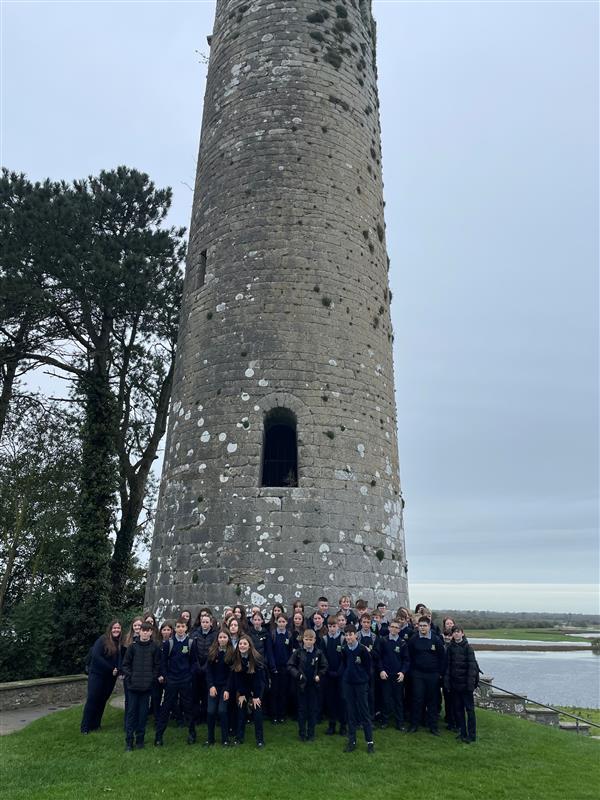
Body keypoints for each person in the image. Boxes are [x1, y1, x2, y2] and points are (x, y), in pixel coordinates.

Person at [154, 618, 198, 746]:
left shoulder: (190, 643)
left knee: (188, 707)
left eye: (182, 626)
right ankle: (159, 736)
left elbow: (194, 661)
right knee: (166, 707)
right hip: (172, 680)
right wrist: (167, 677)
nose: (180, 629)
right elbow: (163, 662)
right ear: (175, 628)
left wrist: (190, 675)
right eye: (178, 626)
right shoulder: (169, 643)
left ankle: (192, 733)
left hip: (185, 679)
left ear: (186, 628)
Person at [121, 621, 161, 750]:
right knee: (131, 714)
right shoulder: (132, 647)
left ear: (151, 632)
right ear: (140, 632)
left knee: (143, 715)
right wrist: (131, 676)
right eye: (143, 630)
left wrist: (152, 678)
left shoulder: (154, 647)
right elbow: (125, 664)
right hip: (133, 687)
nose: (144, 632)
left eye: (147, 630)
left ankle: (140, 740)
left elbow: (157, 666)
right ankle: (129, 741)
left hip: (146, 687)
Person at [80, 620, 123, 734]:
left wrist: (117, 669)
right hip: (97, 675)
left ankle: (96, 724)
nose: (116, 630)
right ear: (110, 629)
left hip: (110, 677)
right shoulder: (102, 640)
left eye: (118, 628)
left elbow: (120, 658)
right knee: (93, 699)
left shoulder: (119, 642)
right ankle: (85, 726)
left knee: (102, 700)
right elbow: (96, 656)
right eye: (114, 628)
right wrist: (111, 668)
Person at [407, 616, 446, 735]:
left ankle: (433, 727)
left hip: (433, 675)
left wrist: (440, 673)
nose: (422, 628)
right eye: (420, 626)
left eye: (425, 626)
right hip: (418, 674)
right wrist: (412, 672)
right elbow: (410, 656)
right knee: (417, 699)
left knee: (432, 701)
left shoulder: (436, 639)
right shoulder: (413, 639)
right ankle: (414, 725)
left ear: (429, 626)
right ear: (417, 626)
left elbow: (442, 657)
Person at [287, 629, 328, 741]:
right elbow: (290, 665)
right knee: (302, 710)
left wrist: (319, 675)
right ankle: (302, 733)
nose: (308, 642)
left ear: (314, 640)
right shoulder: (298, 653)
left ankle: (311, 733)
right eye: (306, 639)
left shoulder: (318, 653)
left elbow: (324, 666)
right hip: (302, 686)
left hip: (314, 686)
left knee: (312, 710)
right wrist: (298, 675)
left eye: (311, 639)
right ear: (303, 640)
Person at [341, 625, 374, 753]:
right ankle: (352, 741)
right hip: (348, 684)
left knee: (364, 712)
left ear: (356, 635)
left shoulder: (362, 650)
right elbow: (344, 664)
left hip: (361, 684)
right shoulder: (344, 649)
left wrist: (363, 678)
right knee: (351, 712)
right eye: (346, 635)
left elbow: (368, 667)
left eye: (351, 634)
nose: (349, 637)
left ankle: (369, 742)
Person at [446, 626, 479, 743]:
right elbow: (448, 667)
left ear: (462, 634)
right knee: (458, 710)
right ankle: (462, 732)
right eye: (454, 632)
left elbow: (472, 668)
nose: (456, 634)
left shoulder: (468, 648)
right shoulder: (450, 648)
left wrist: (470, 685)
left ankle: (472, 735)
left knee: (469, 710)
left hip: (466, 685)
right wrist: (447, 682)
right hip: (455, 685)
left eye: (458, 632)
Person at [231, 634, 265, 747]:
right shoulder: (236, 657)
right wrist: (241, 693)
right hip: (243, 688)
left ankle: (260, 740)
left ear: (249, 646)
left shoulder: (256, 658)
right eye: (240, 644)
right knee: (241, 710)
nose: (242, 646)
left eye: (245, 644)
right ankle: (239, 738)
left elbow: (258, 680)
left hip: (256, 688)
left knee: (257, 712)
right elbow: (237, 678)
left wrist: (255, 696)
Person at [205, 629, 235, 747]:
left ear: (228, 639)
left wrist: (227, 689)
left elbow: (231, 674)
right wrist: (211, 686)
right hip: (213, 686)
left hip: (225, 687)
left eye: (225, 637)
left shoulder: (231, 653)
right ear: (217, 639)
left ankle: (225, 739)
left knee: (222, 711)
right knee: (211, 711)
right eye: (220, 637)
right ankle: (210, 739)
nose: (222, 639)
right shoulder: (212, 652)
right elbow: (208, 671)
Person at [379, 619, 410, 731]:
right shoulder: (383, 641)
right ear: (388, 628)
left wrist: (402, 672)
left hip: (397, 676)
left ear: (399, 629)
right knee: (386, 699)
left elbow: (406, 660)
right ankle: (385, 721)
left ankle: (400, 723)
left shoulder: (402, 643)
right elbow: (379, 658)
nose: (394, 629)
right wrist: (381, 670)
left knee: (398, 700)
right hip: (385, 675)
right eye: (392, 626)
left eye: (397, 627)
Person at [266, 614, 294, 724]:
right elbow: (269, 652)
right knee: (274, 692)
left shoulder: (289, 635)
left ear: (286, 623)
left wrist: (289, 665)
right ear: (276, 622)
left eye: (284, 622)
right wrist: (272, 666)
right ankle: (274, 715)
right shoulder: (272, 634)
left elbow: (291, 651)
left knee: (283, 692)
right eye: (280, 621)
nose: (281, 624)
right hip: (275, 668)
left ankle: (282, 714)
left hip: (285, 668)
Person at [321, 617, 346, 736]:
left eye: (334, 626)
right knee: (330, 700)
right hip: (328, 675)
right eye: (330, 626)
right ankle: (331, 725)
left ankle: (343, 725)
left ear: (338, 626)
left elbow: (344, 658)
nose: (332, 629)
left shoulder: (342, 639)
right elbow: (323, 657)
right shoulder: (324, 640)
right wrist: (328, 671)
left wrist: (339, 672)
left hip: (340, 676)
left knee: (342, 700)